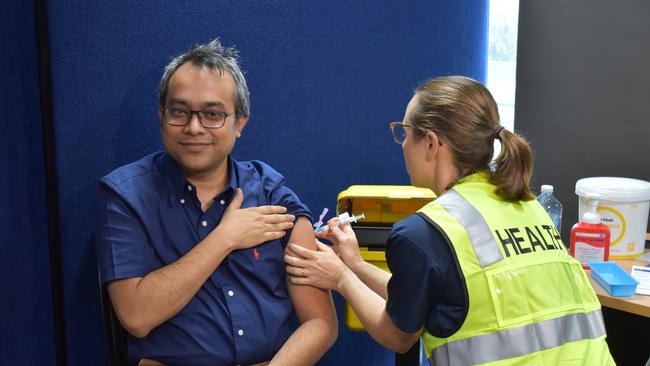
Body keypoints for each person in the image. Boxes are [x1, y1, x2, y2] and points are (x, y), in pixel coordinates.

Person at [285, 76, 615, 365]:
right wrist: (355, 264)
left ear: (431, 143)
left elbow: (398, 335)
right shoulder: (527, 205)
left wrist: (341, 278)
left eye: (404, 132)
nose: (401, 145)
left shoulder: (424, 233)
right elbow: (438, 298)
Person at [95, 39, 337, 365]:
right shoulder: (126, 196)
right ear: (161, 115)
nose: (194, 127)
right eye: (179, 111)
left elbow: (320, 322)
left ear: (240, 123)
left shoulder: (274, 197)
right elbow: (137, 317)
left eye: (212, 114)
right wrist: (224, 239)